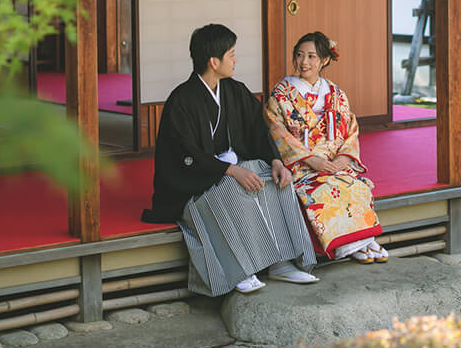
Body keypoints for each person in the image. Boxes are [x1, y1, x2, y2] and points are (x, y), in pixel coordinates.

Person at [142, 23, 318, 295]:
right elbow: (185, 153)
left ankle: (283, 261)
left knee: (276, 181)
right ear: (214, 61)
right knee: (233, 191)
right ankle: (239, 269)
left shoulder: (234, 91)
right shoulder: (182, 100)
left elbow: (258, 131)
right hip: (193, 182)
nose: (236, 60)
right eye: (231, 54)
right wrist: (230, 171)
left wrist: (275, 161)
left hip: (228, 170)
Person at [264, 31, 387, 263]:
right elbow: (277, 132)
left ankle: (362, 240)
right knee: (324, 189)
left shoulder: (336, 94)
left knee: (355, 184)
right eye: (299, 55)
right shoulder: (281, 94)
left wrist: (345, 158)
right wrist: (311, 160)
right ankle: (355, 244)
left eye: (311, 57)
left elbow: (351, 129)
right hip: (302, 166)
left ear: (324, 60)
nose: (304, 62)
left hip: (333, 161)